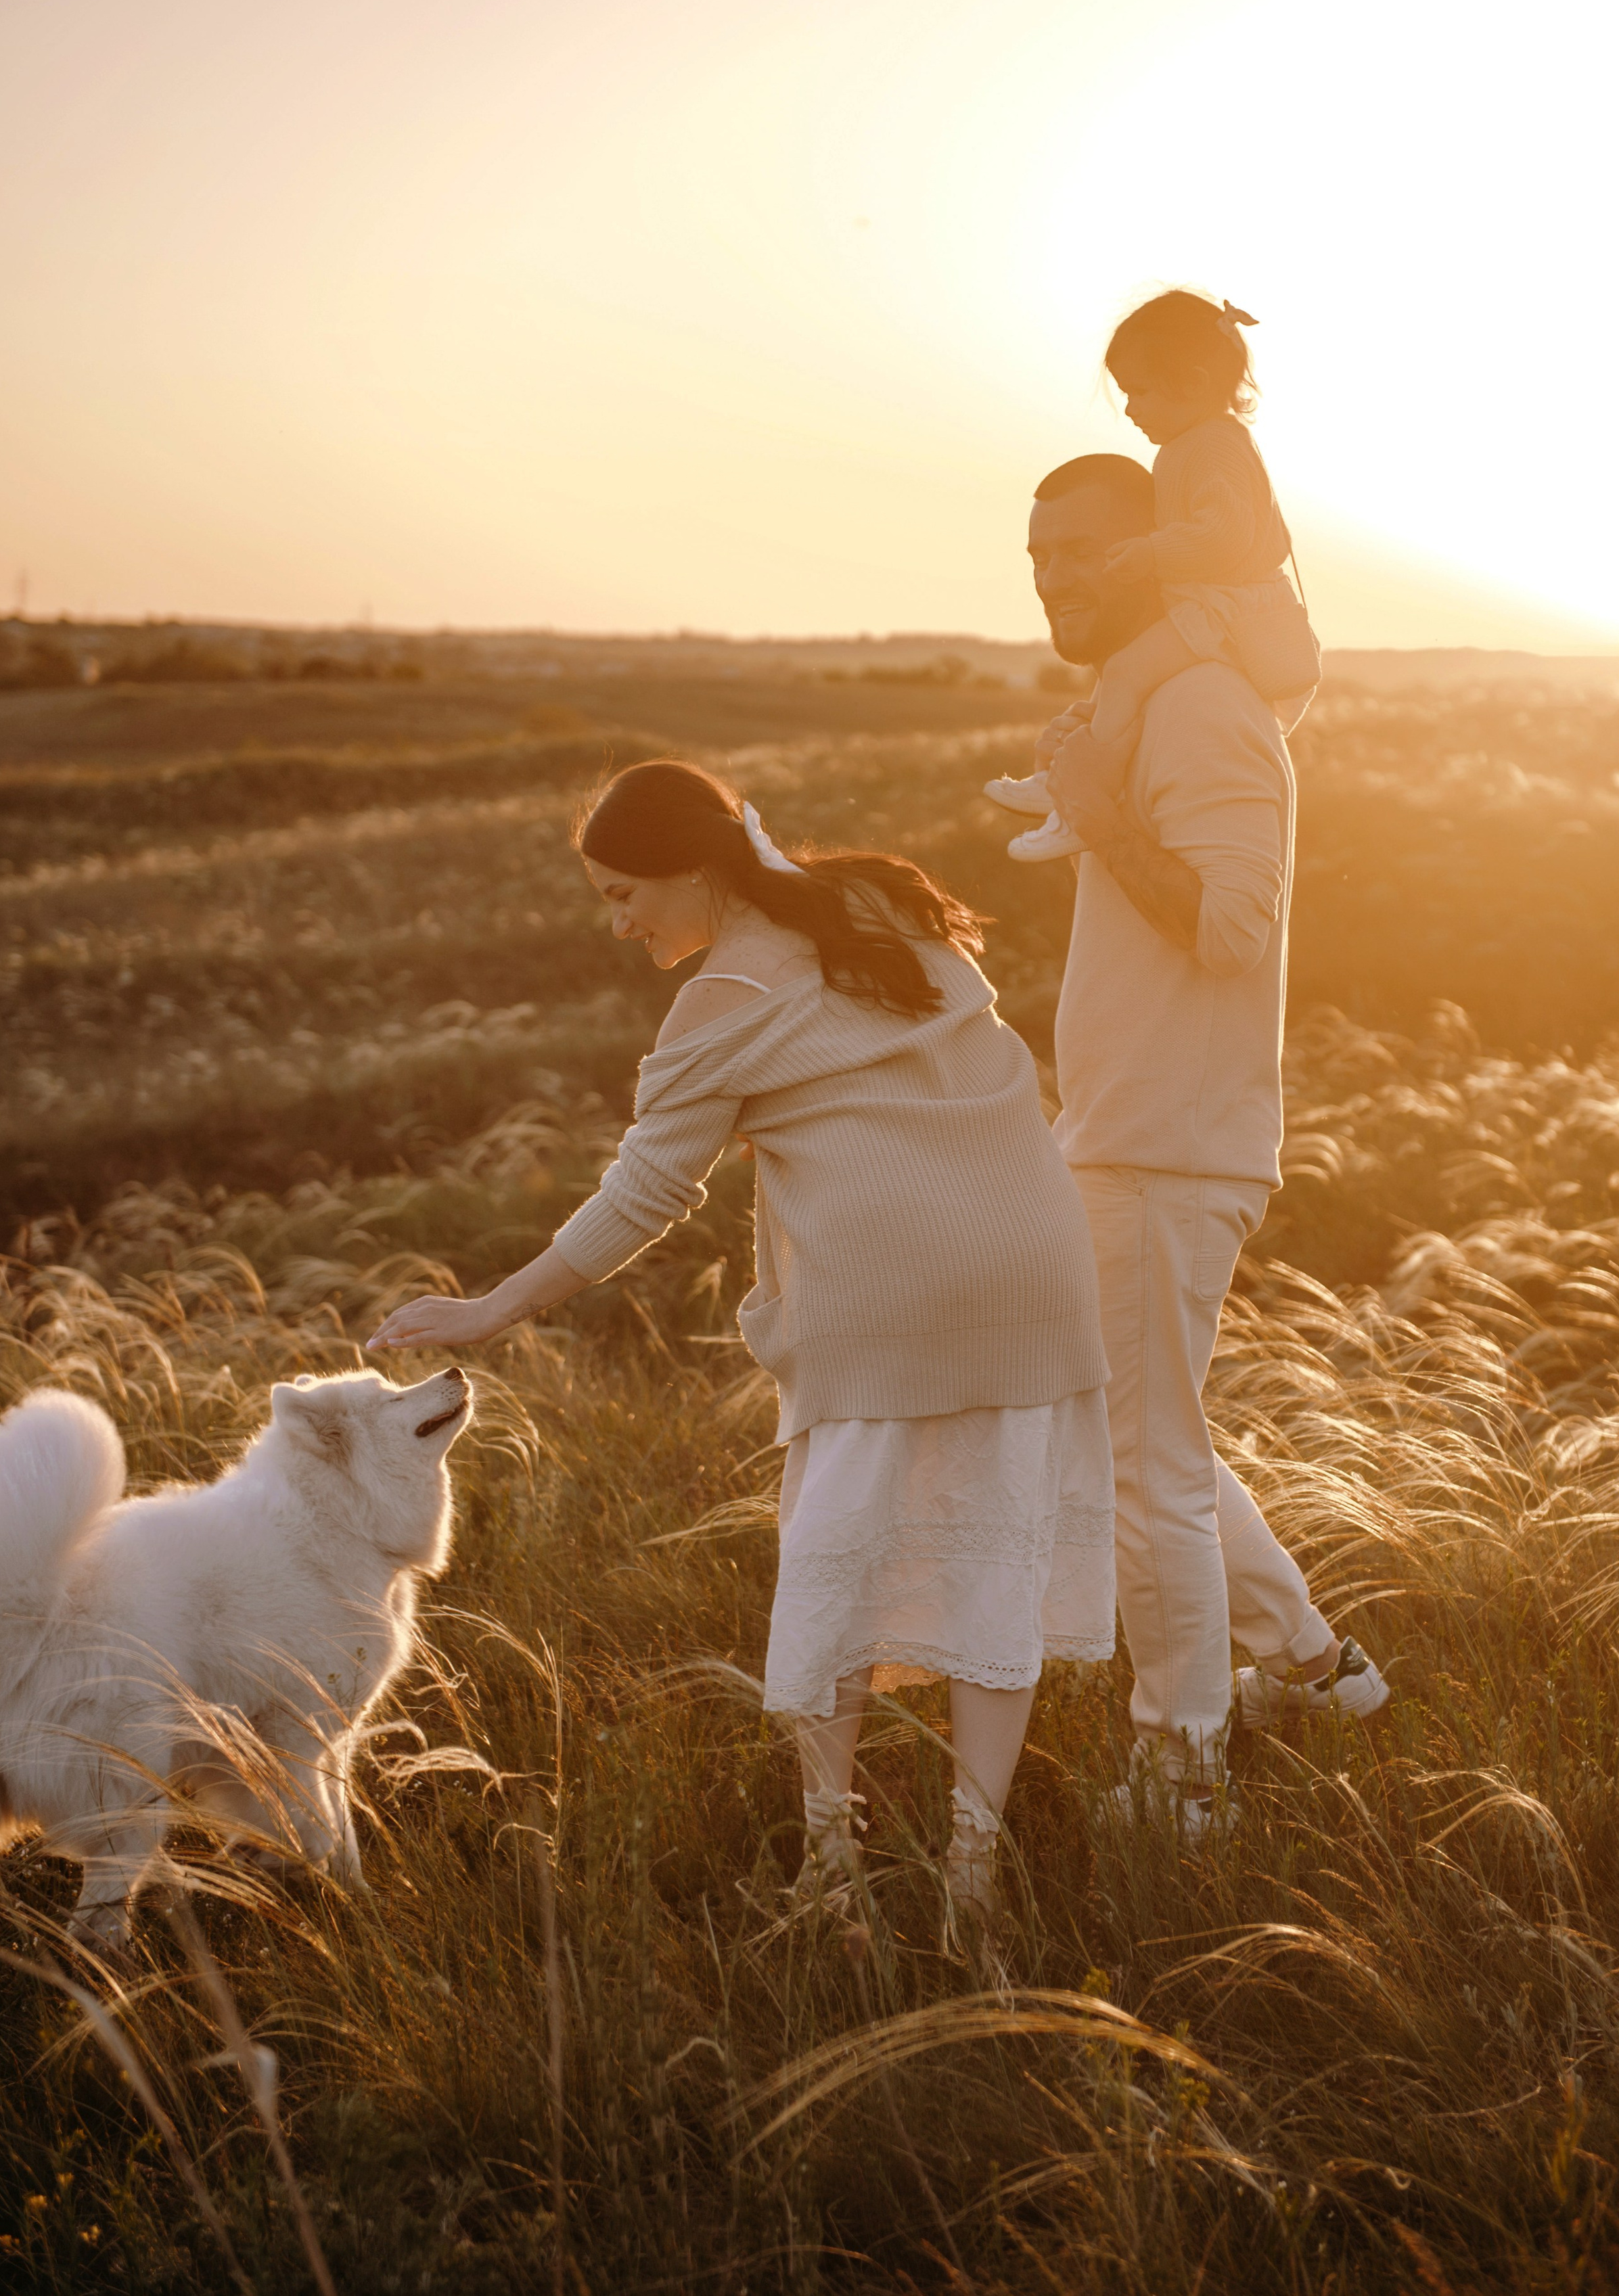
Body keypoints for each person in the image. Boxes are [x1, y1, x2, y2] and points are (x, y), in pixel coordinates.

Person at [369, 760, 1116, 1922]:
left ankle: (832, 1862)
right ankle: (973, 1870)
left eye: (626, 894)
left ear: (698, 867)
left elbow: (642, 1197)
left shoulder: (722, 996)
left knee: (839, 1567)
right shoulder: (880, 909)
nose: (617, 925)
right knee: (994, 1557)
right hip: (1035, 1267)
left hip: (891, 1299)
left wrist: (490, 1311)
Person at [1017, 453, 1388, 1835]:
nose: (1055, 574)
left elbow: (1233, 929)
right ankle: (1315, 1669)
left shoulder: (1207, 713)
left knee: (1141, 1462)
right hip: (1124, 1132)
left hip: (1164, 1147)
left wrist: (1102, 817)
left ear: (1160, 553)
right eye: (1038, 552)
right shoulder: (1144, 705)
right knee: (1144, 1430)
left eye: (1083, 550)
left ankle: (1180, 1770)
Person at [986, 292, 1321, 860]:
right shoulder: (1195, 445)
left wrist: (1150, 552)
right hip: (1219, 603)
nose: (1131, 409)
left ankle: (1077, 801)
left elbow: (1226, 534)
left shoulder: (1214, 446)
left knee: (1125, 675)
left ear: (1191, 382)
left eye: (1139, 391)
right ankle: (1065, 774)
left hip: (1231, 608)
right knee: (1126, 677)